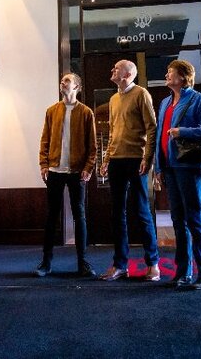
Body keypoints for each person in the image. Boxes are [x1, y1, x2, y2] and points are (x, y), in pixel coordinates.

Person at [153, 60, 201, 290]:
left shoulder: (197, 99)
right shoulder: (164, 103)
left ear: (182, 77)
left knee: (194, 219)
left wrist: (183, 131)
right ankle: (183, 272)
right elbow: (159, 135)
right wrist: (158, 168)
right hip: (170, 168)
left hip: (189, 166)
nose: (166, 74)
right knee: (177, 222)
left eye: (170, 72)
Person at [98, 60, 160, 282]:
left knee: (142, 211)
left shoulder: (141, 94)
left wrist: (148, 158)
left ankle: (153, 264)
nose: (111, 71)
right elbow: (113, 131)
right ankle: (119, 265)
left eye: (115, 69)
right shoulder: (114, 99)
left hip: (137, 160)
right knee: (117, 214)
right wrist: (106, 159)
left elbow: (152, 127)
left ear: (127, 74)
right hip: (116, 160)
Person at [36, 73, 97, 278]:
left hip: (77, 173)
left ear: (77, 86)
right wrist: (44, 164)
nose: (62, 83)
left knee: (79, 217)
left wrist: (88, 168)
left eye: (67, 81)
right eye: (61, 80)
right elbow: (44, 140)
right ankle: (46, 262)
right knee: (51, 216)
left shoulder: (86, 112)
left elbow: (93, 147)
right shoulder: (51, 111)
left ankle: (83, 262)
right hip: (54, 171)